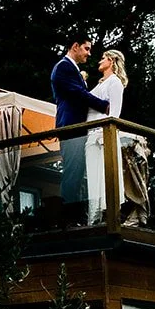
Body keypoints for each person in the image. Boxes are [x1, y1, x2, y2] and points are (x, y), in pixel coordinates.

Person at [50, 34, 109, 215]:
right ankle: (68, 218)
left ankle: (74, 215)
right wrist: (103, 105)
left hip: (76, 127)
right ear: (75, 46)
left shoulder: (70, 68)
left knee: (77, 172)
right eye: (87, 48)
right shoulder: (63, 67)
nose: (89, 53)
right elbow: (77, 93)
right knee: (73, 172)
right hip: (70, 126)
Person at [85, 49, 127, 223]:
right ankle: (93, 216)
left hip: (102, 136)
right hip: (92, 135)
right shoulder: (101, 84)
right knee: (93, 179)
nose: (99, 61)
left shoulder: (115, 82)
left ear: (112, 60)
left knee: (102, 177)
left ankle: (103, 216)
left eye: (103, 58)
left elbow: (115, 112)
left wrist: (104, 136)